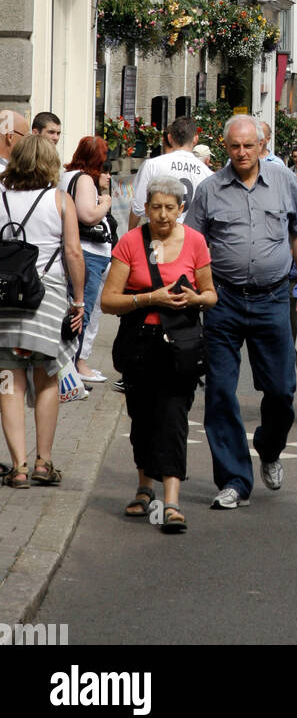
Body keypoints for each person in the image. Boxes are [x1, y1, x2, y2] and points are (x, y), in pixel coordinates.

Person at [184, 115, 297, 510]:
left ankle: (269, 448)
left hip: (273, 299)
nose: (242, 153)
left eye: (249, 146)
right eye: (235, 146)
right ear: (226, 147)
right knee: (221, 392)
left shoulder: (284, 183)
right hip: (222, 301)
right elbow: (193, 243)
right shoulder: (209, 190)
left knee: (280, 391)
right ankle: (234, 480)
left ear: (261, 146)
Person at [102, 176, 217, 532]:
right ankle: (143, 488)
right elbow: (108, 301)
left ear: (181, 209)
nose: (163, 215)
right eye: (156, 207)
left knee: (173, 417)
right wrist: (150, 298)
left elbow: (211, 293)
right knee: (143, 418)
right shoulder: (130, 242)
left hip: (179, 344)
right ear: (146, 209)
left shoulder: (196, 242)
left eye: (170, 207)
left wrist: (195, 299)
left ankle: (171, 502)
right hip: (139, 342)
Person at [0, 136, 84, 488]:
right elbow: (74, 254)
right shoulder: (61, 201)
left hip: (4, 299)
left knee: (8, 380)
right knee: (47, 376)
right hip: (46, 296)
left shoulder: (0, 198)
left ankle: (17, 466)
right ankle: (43, 462)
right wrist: (78, 301)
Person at [60, 136, 115, 384]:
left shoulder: (67, 176)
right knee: (83, 310)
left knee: (74, 308)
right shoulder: (83, 180)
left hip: (79, 250)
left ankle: (70, 365)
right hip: (89, 253)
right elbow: (88, 215)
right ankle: (77, 365)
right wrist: (105, 203)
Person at [129, 116, 210, 229]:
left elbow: (138, 207)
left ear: (170, 138)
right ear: (195, 139)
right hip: (192, 239)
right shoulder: (207, 173)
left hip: (159, 236)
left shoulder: (152, 165)